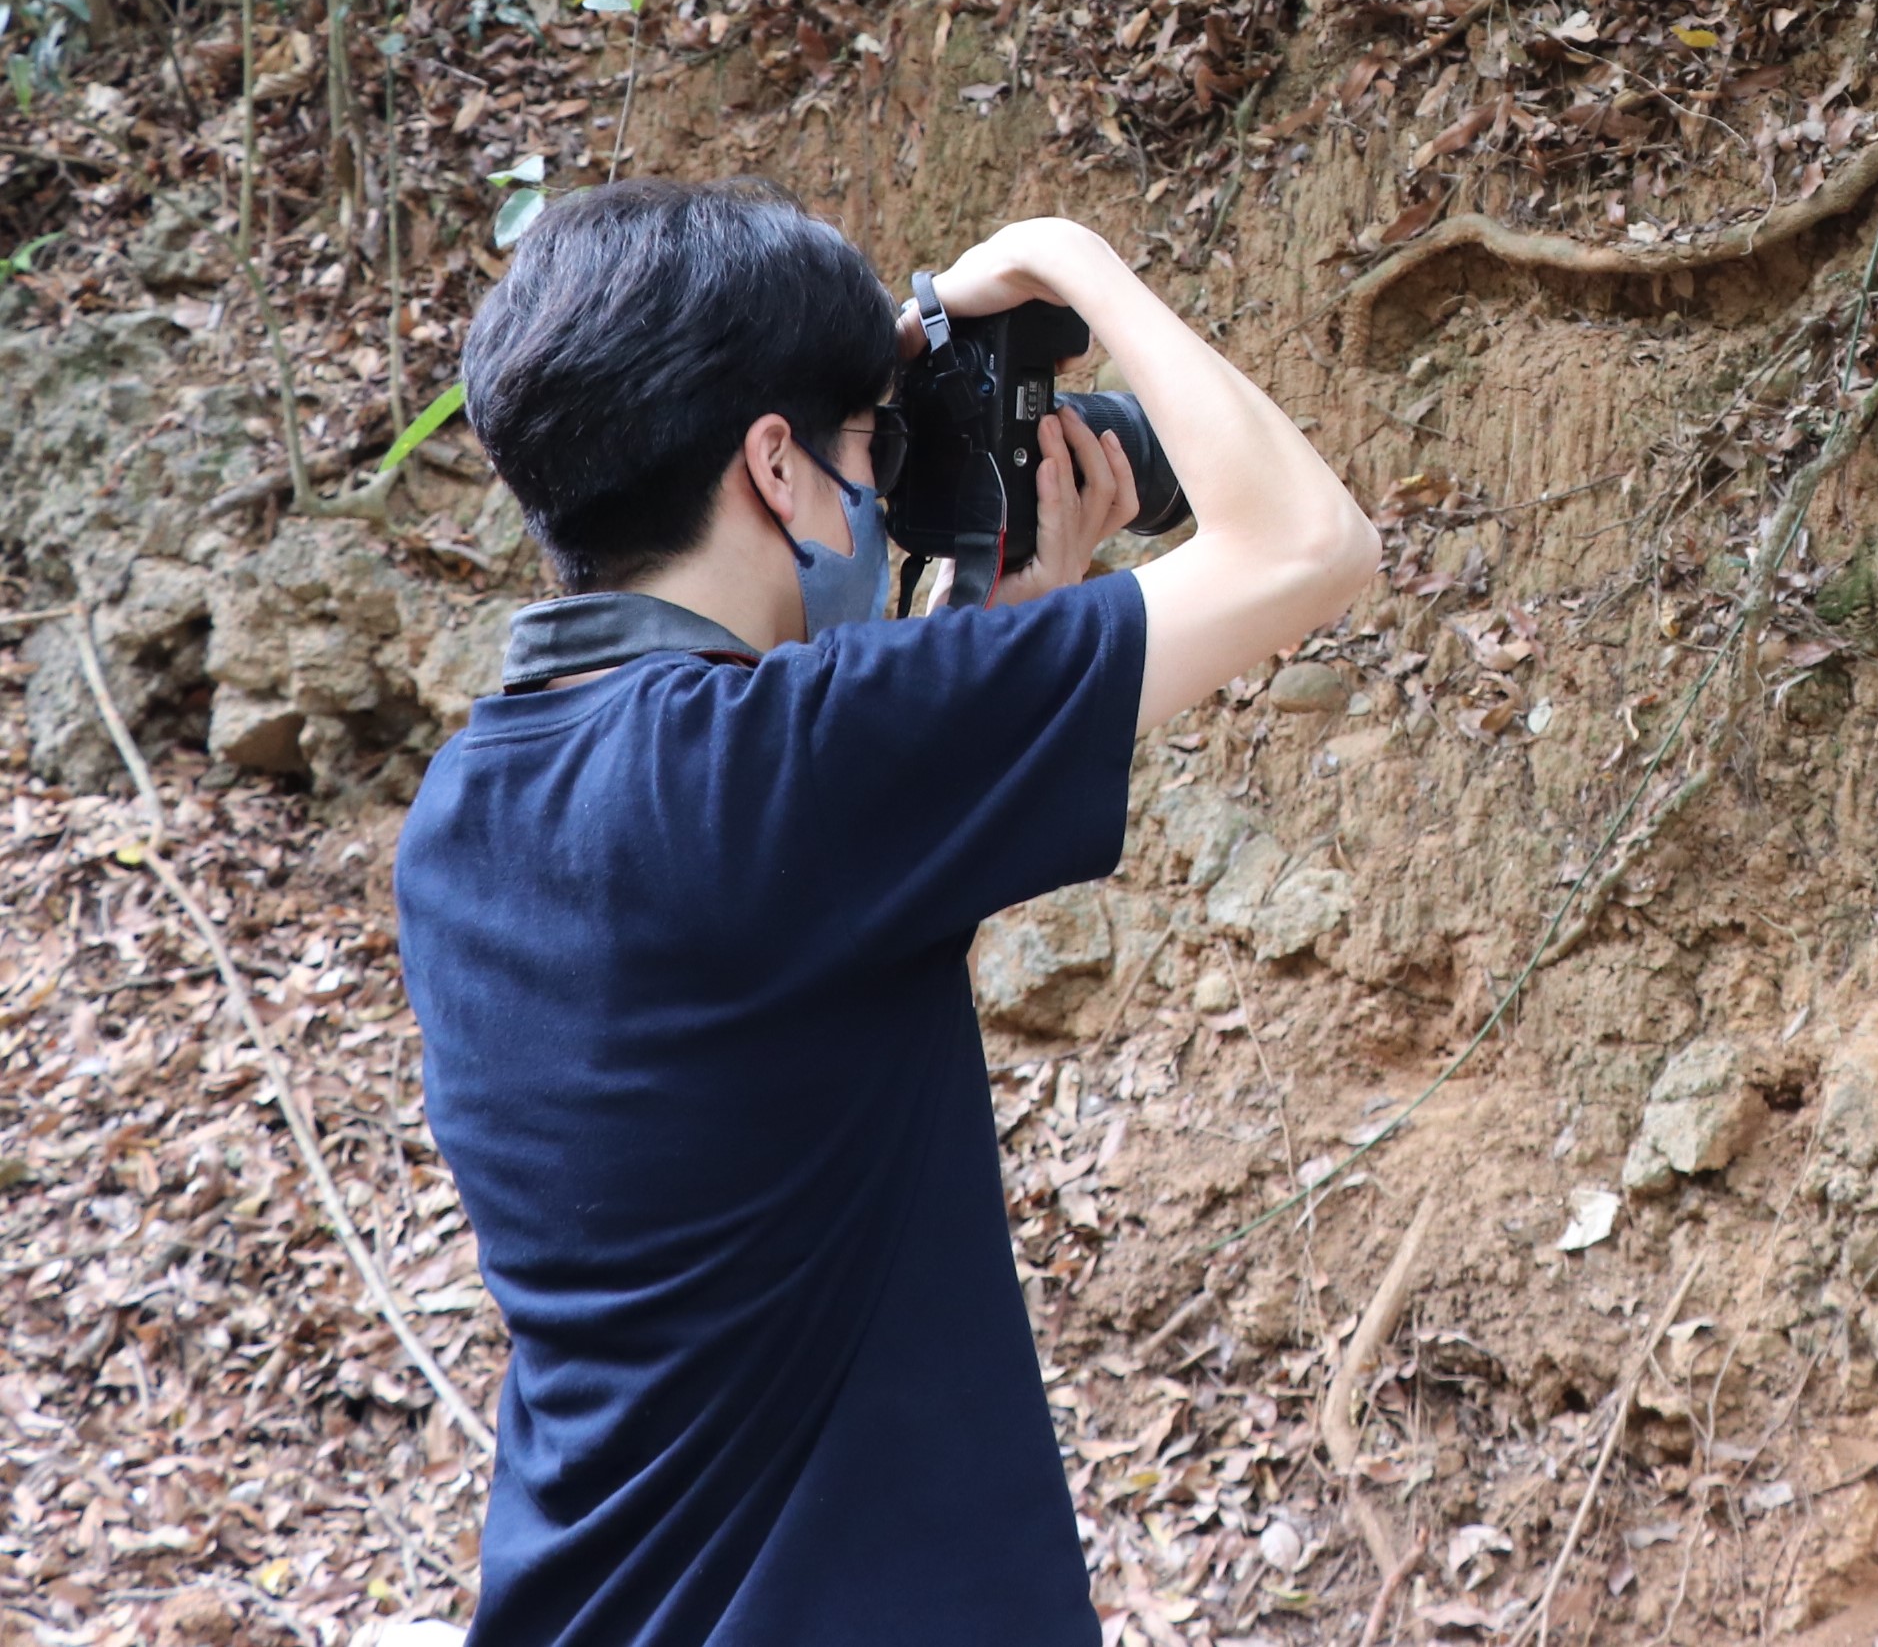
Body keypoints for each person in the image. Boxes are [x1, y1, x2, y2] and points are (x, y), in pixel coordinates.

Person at [394, 180, 1376, 1646]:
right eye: (870, 441)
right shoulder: (791, 760)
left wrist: (983, 643)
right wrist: (1067, 254)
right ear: (776, 466)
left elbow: (785, 1039)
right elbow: (1310, 545)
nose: (880, 480)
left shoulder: (467, 808)